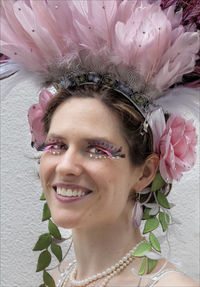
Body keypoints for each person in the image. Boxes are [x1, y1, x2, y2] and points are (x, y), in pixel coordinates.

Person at [0, 1, 199, 287]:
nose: (66, 165)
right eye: (57, 145)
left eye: (97, 150)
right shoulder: (57, 279)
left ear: (144, 173)